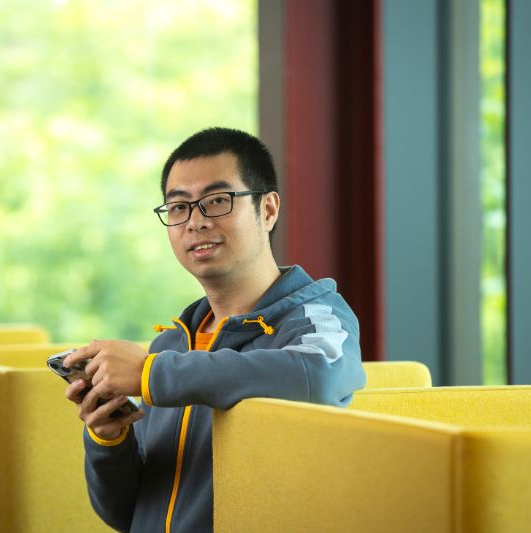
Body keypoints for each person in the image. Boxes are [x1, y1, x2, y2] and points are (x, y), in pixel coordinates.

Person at [63, 127, 366, 532]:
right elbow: (128, 515)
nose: (196, 222)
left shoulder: (314, 319)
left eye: (217, 201)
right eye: (178, 208)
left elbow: (320, 376)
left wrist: (151, 374)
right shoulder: (173, 344)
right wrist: (108, 439)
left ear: (268, 210)